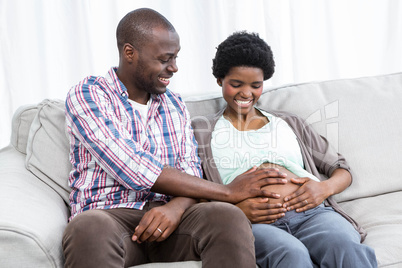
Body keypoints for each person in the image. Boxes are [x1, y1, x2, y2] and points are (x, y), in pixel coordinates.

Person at [62, 8, 288, 268]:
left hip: (172, 223)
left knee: (227, 216)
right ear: (129, 53)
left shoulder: (174, 104)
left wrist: (176, 208)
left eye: (176, 57)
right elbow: (131, 166)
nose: (174, 67)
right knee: (88, 227)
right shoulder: (89, 94)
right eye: (164, 59)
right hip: (112, 219)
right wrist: (227, 191)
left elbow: (190, 169)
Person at [192, 31, 378, 268]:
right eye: (236, 84)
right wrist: (235, 211)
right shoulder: (201, 130)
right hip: (254, 223)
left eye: (255, 85)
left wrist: (323, 189)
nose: (246, 93)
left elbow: (342, 169)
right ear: (220, 80)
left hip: (313, 214)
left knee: (346, 248)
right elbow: (192, 190)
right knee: (292, 255)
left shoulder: (290, 122)